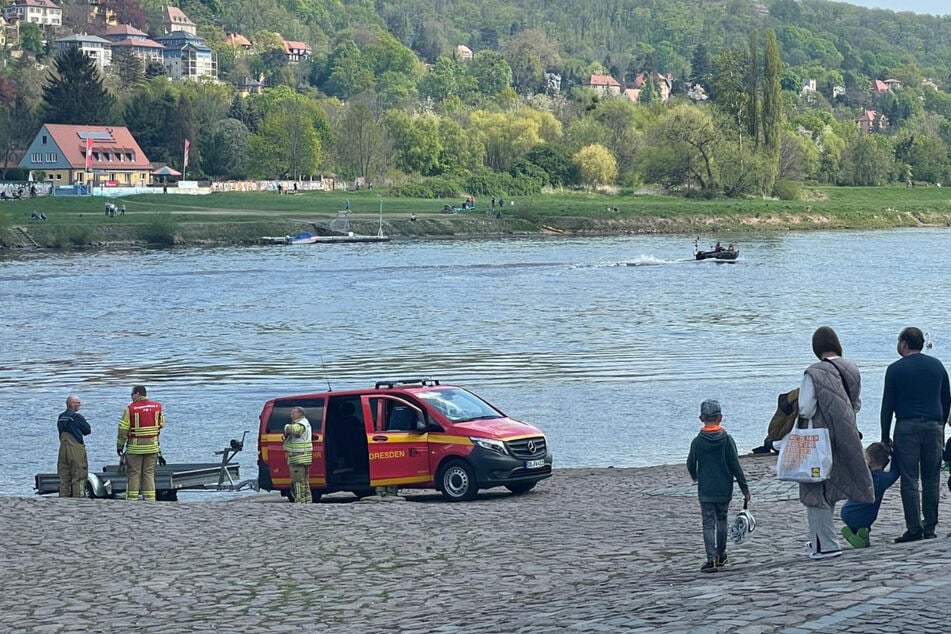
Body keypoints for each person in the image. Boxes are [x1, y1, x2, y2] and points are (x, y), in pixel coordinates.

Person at [798, 326, 873, 560]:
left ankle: (825, 544)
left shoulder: (813, 372)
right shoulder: (851, 368)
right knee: (831, 487)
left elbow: (805, 408)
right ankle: (821, 540)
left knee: (815, 489)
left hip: (819, 438)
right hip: (847, 434)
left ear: (816, 347)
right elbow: (855, 403)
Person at [880, 326, 951, 542]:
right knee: (931, 478)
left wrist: (885, 436)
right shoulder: (937, 366)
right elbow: (947, 398)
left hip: (907, 426)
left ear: (903, 343)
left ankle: (914, 528)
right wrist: (941, 424)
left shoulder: (895, 369)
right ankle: (930, 526)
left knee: (910, 479)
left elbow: (887, 406)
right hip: (933, 426)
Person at [686, 399, 751, 573]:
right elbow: (735, 466)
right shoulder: (727, 440)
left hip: (706, 489)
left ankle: (711, 559)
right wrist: (745, 489)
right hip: (724, 488)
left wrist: (695, 477)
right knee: (722, 520)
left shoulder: (697, 442)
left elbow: (691, 463)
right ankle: (721, 554)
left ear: (701, 418)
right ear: (720, 418)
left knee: (708, 523)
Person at [840, 442, 900, 548]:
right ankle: (862, 532)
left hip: (848, 512)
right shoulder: (884, 479)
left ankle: (852, 534)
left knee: (857, 520)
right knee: (864, 521)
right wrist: (894, 453)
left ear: (870, 460)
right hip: (868, 517)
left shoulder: (861, 476)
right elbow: (896, 471)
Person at [117, 385, 165, 501]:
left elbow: (123, 429)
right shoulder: (157, 407)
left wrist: (119, 446)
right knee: (149, 474)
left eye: (132, 394)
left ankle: (132, 500)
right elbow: (162, 423)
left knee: (134, 474)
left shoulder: (130, 409)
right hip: (152, 447)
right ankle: (150, 500)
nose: (131, 397)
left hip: (135, 448)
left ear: (137, 394)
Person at [57, 395, 91, 497]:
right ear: (72, 404)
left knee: (64, 476)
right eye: (78, 403)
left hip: (63, 450)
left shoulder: (61, 417)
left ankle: (63, 498)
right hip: (76, 449)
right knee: (79, 475)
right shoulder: (77, 417)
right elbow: (87, 431)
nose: (79, 405)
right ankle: (78, 498)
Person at [283, 406, 313, 503]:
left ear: (300, 414)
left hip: (298, 457)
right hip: (305, 457)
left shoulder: (301, 423)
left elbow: (295, 430)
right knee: (305, 481)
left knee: (298, 481)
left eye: (293, 413)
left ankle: (299, 501)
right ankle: (307, 500)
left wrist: (286, 427)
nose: (291, 415)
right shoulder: (306, 422)